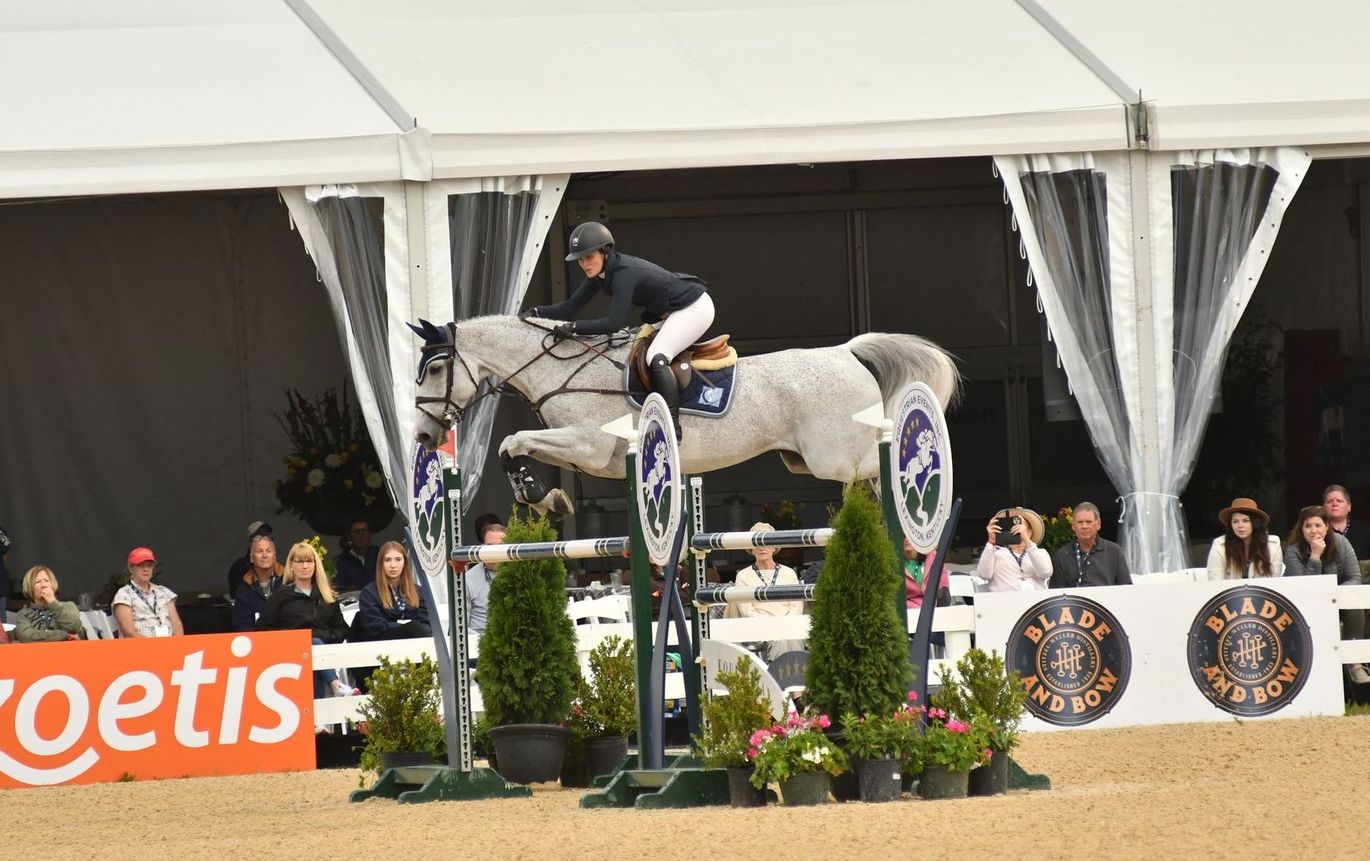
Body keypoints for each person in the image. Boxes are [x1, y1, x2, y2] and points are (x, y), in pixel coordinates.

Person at [527, 220, 713, 436]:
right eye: (580, 260)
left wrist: (575, 328)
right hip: (671, 311)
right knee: (633, 349)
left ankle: (671, 426)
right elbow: (570, 307)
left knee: (656, 356)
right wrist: (535, 313)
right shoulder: (601, 274)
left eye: (589, 257)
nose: (584, 264)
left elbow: (613, 323)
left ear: (605, 252)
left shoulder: (624, 273)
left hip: (694, 307)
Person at [257, 541, 354, 704]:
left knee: (314, 649)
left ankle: (316, 722)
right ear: (291, 566)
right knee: (313, 647)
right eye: (300, 561)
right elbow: (263, 628)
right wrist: (294, 638)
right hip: (288, 652)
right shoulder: (280, 596)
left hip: (320, 652)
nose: (305, 566)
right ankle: (335, 684)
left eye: (309, 561)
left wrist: (319, 636)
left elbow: (341, 630)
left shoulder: (327, 597)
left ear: (315, 565)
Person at [1283, 504, 1370, 685]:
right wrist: (1315, 556)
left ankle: (1354, 663)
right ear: (1302, 528)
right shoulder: (1292, 549)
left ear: (1327, 527)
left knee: (1354, 607)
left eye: (1318, 525)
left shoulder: (1341, 543)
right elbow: (1302, 586)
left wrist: (1333, 596)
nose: (1313, 530)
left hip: (1336, 600)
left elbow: (1354, 578)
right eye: (1308, 526)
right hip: (1305, 605)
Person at [723, 522, 805, 662]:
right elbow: (747, 611)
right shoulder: (743, 576)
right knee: (781, 640)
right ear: (751, 548)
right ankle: (779, 680)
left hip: (787, 626)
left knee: (792, 638)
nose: (761, 547)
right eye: (756, 543)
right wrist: (771, 626)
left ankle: (797, 681)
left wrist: (783, 625)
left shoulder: (789, 573)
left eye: (766, 542)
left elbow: (796, 606)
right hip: (758, 629)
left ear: (774, 547)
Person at [356, 541, 432, 641]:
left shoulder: (418, 591)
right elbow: (376, 626)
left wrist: (408, 628)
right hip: (383, 644)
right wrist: (407, 628)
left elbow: (426, 624)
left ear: (404, 563)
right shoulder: (369, 593)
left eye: (398, 559)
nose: (393, 565)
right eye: (387, 560)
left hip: (416, 642)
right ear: (381, 564)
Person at [1049, 502, 1132, 588]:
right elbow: (1056, 595)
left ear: (1098, 524)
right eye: (1080, 522)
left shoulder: (1114, 552)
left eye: (1089, 522)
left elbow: (1127, 590)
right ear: (1073, 526)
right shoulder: (1062, 555)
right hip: (1074, 601)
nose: (1084, 526)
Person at [112, 547, 184, 638]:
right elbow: (129, 632)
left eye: (149, 566)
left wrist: (178, 646)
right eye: (141, 565)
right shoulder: (124, 594)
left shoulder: (164, 592)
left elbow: (177, 624)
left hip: (169, 646)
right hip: (140, 648)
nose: (146, 569)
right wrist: (153, 648)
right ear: (131, 568)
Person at [1205, 497, 1284, 580]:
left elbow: (1274, 582)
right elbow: (1215, 581)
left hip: (1262, 592)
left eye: (1246, 521)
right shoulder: (1219, 545)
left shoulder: (1273, 545)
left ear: (1255, 523)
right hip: (1230, 592)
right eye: (1235, 521)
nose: (1240, 526)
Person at [976, 507, 1052, 592]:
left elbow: (1045, 573)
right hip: (1004, 602)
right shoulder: (996, 553)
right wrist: (991, 541)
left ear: (1030, 532)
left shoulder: (1040, 552)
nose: (1016, 531)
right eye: (1012, 528)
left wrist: (1027, 540)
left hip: (1035, 603)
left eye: (1021, 528)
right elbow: (983, 575)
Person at [14, 565, 84, 642]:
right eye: (37, 582)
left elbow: (75, 629)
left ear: (53, 584)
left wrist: (52, 602)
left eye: (47, 581)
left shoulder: (68, 606)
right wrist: (63, 635)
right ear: (30, 588)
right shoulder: (23, 613)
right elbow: (25, 636)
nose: (44, 585)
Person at [231, 533, 284, 632]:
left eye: (269, 551)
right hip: (257, 643)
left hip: (288, 641)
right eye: (259, 551)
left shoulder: (289, 581)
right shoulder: (243, 590)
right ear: (251, 557)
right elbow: (242, 625)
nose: (264, 555)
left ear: (275, 556)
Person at [465, 520, 506, 633]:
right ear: (482, 547)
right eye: (489, 546)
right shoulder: (467, 580)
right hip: (479, 642)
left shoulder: (520, 575)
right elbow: (460, 628)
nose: (494, 551)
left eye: (500, 546)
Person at [1322, 485, 1370, 566]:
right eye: (1329, 501)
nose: (1334, 504)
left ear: (1349, 507)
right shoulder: (1317, 531)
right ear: (1323, 507)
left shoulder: (1365, 531)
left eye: (1339, 501)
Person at [225, 520, 273, 596]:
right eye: (259, 536)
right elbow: (238, 596)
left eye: (267, 536)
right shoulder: (240, 566)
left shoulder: (275, 566)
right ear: (250, 540)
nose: (264, 539)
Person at [336, 519, 379, 592]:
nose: (361, 535)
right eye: (356, 532)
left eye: (364, 531)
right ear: (349, 536)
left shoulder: (380, 555)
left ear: (369, 534)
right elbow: (340, 588)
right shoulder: (341, 561)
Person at [903, 537, 946, 610]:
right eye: (903, 535)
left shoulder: (934, 558)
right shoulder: (893, 561)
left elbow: (943, 590)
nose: (907, 538)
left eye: (910, 535)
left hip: (934, 610)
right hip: (907, 611)